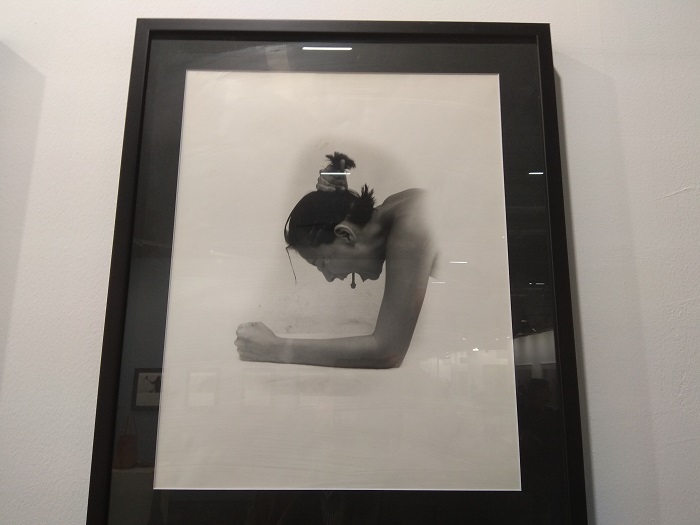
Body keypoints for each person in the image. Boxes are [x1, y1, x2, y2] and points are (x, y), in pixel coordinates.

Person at [234, 152, 438, 369]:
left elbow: (387, 352)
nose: (330, 277)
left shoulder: (413, 223)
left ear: (346, 235)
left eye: (322, 263)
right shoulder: (400, 208)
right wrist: (336, 203)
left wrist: (276, 348)